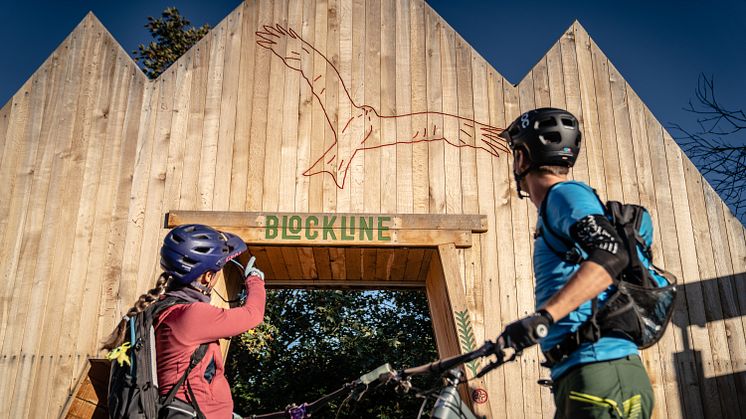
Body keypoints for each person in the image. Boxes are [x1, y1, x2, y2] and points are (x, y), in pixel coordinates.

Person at [497, 108, 653, 419]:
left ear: (522, 158)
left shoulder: (564, 194)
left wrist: (544, 317)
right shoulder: (557, 205)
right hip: (580, 373)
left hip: (599, 371)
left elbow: (611, 251)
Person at [102, 224, 266, 418]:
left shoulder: (158, 309)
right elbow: (252, 314)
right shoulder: (192, 315)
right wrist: (255, 279)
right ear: (207, 277)